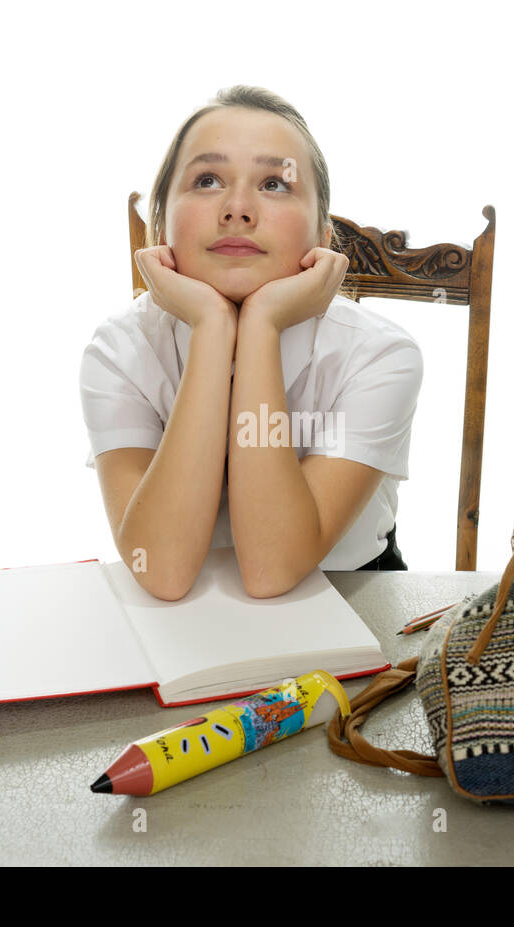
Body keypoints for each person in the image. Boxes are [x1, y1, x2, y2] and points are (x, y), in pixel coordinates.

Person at [80, 85, 422, 601]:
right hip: (186, 615)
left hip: (352, 602)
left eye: (275, 184)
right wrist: (213, 328)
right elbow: (164, 572)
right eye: (208, 179)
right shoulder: (119, 351)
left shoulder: (379, 356)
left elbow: (272, 567)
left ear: (323, 239)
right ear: (160, 225)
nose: (237, 209)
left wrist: (260, 324)